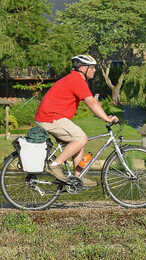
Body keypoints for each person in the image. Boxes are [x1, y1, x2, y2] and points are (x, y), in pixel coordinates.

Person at [34, 54, 119, 186]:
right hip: (50, 117)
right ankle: (55, 165)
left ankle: (78, 177)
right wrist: (106, 118)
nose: (94, 70)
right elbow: (91, 102)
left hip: (52, 117)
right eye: (92, 67)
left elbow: (92, 104)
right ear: (83, 68)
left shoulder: (76, 80)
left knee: (78, 141)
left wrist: (103, 115)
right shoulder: (76, 80)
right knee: (81, 138)